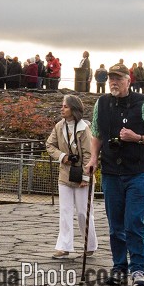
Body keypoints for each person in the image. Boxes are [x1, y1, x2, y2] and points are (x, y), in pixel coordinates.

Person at [85, 62, 144, 286]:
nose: (113, 82)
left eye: (118, 78)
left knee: (133, 223)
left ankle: (138, 269)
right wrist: (92, 159)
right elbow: (97, 135)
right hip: (111, 172)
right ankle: (119, 267)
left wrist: (136, 137)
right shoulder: (102, 103)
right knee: (115, 224)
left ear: (129, 80)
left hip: (138, 172)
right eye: (110, 78)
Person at [45, 93, 98, 258]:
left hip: (83, 176)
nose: (62, 109)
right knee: (65, 211)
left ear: (73, 109)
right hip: (65, 175)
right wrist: (63, 157)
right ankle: (64, 246)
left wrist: (86, 177)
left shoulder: (84, 129)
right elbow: (49, 144)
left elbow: (89, 154)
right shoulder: (59, 126)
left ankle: (89, 245)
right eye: (62, 106)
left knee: (83, 212)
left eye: (65, 106)